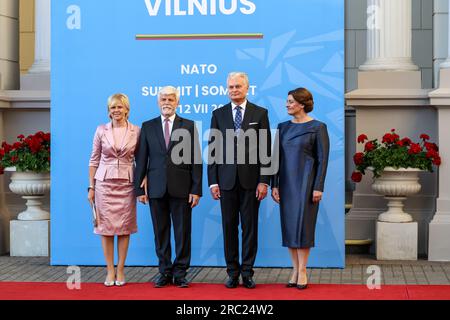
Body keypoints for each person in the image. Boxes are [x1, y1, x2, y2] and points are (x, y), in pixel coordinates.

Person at [208, 72, 271, 289]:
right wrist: (213, 182)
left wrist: (264, 181)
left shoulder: (260, 113)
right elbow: (213, 149)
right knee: (228, 227)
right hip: (225, 182)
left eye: (238, 86)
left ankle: (248, 272)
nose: (234, 90)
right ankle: (232, 273)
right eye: (231, 87)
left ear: (247, 88)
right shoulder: (219, 114)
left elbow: (266, 149)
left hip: (252, 182)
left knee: (250, 228)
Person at [134, 86, 202, 288]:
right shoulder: (148, 126)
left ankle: (181, 273)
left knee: (182, 233)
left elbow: (196, 159)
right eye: (163, 98)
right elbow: (141, 159)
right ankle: (164, 272)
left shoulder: (188, 125)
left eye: (171, 99)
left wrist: (196, 189)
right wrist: (139, 189)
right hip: (155, 188)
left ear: (177, 102)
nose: (167, 102)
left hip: (182, 188)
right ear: (158, 102)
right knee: (160, 232)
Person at [271, 87, 330, 290]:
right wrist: (274, 184)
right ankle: (294, 269)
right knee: (289, 228)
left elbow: (322, 160)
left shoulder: (318, 127)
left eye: (290, 101)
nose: (287, 104)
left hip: (306, 185)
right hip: (286, 184)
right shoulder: (282, 127)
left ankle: (303, 270)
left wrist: (318, 187)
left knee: (303, 227)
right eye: (287, 101)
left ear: (302, 104)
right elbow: (275, 159)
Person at [88, 93, 142, 287]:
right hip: (104, 185)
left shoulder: (136, 131)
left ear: (127, 109)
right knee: (106, 230)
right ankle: (110, 270)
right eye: (113, 108)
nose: (116, 110)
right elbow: (94, 160)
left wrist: (142, 182)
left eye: (120, 107)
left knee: (124, 228)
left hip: (127, 184)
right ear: (108, 111)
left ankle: (121, 270)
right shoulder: (101, 130)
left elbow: (141, 160)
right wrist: (91, 187)